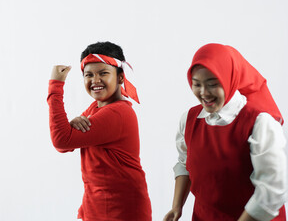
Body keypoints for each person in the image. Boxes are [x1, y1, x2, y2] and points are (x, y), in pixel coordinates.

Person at [164, 43, 287, 221]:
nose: (204, 93)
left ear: (230, 79)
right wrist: (177, 206)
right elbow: (184, 163)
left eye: (212, 84)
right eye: (196, 84)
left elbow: (271, 191)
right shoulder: (190, 119)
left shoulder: (260, 122)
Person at [47, 41, 152, 221]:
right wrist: (70, 126)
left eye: (103, 73)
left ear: (120, 78)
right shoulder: (96, 108)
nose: (95, 81)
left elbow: (61, 139)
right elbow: (64, 144)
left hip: (122, 211)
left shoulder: (118, 113)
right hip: (97, 207)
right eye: (89, 75)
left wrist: (56, 86)